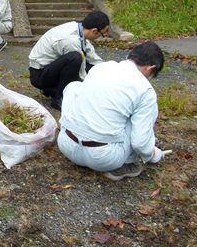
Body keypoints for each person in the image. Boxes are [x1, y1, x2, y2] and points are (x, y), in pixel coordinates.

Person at [57, 41, 166, 181]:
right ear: (151, 68)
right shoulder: (145, 90)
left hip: (66, 145)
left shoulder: (101, 67)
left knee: (75, 86)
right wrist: (153, 155)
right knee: (136, 119)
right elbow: (140, 142)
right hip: (103, 159)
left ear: (130, 56)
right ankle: (127, 165)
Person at [28, 11, 109, 110]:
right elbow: (81, 73)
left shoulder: (79, 29)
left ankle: (51, 90)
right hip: (39, 75)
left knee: (90, 66)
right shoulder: (71, 40)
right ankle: (59, 99)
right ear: (94, 31)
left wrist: (105, 71)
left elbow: (92, 57)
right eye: (103, 34)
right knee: (75, 58)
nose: (103, 36)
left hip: (51, 68)